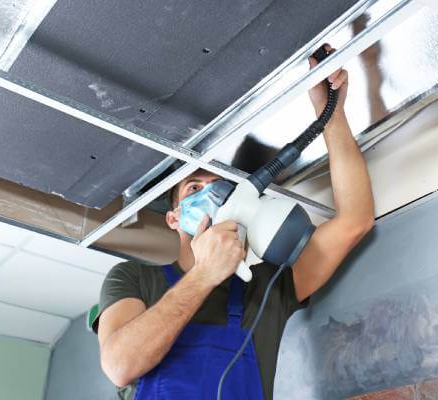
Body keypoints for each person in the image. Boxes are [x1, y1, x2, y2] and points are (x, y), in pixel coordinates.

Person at [92, 44, 375, 400]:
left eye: (220, 186)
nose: (210, 196)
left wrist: (329, 111)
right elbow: (120, 366)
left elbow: (355, 220)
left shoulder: (266, 288)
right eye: (194, 188)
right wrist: (203, 275)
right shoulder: (133, 278)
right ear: (173, 217)